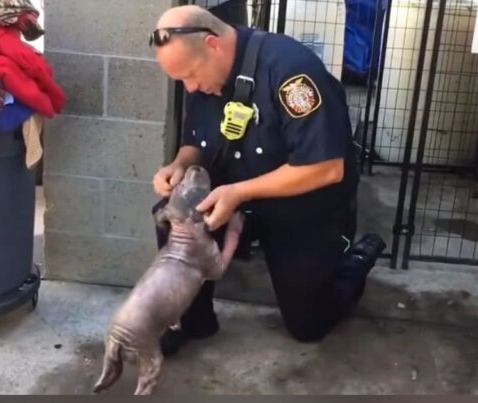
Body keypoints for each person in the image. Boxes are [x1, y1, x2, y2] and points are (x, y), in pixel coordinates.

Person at [149, 5, 386, 356]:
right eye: (182, 80)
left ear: (212, 44)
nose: (190, 86)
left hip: (301, 208)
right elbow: (197, 142)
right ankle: (193, 320)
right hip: (236, 194)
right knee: (172, 214)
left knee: (308, 326)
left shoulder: (292, 73)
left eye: (191, 75)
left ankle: (357, 260)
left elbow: (326, 168)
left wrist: (238, 192)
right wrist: (180, 165)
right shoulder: (201, 74)